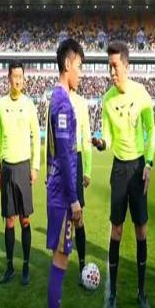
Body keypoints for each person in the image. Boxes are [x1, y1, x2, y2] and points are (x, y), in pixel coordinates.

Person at [92, 41, 155, 308]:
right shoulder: (107, 100)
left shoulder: (142, 94)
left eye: (115, 66)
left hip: (138, 168)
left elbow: (151, 130)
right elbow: (107, 136)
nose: (112, 72)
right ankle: (113, 293)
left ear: (126, 66)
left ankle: (141, 292)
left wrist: (149, 163)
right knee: (116, 230)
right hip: (119, 169)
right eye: (109, 67)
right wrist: (101, 143)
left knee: (141, 230)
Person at [45, 39, 84, 308]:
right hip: (61, 193)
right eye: (79, 67)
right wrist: (73, 199)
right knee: (60, 257)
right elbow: (64, 156)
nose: (81, 73)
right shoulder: (61, 103)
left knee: (63, 255)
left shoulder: (60, 99)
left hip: (60, 189)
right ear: (68, 64)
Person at [0, 61, 40, 286]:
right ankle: (10, 266)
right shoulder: (1, 105)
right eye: (14, 76)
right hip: (7, 168)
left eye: (21, 76)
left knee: (24, 219)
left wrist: (35, 167)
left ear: (24, 79)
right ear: (9, 79)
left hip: (23, 167)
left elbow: (36, 136)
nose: (18, 80)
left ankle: (26, 266)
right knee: (9, 220)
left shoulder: (29, 104)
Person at [69, 89, 92, 286]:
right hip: (60, 160)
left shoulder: (82, 103)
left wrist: (88, 170)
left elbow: (86, 136)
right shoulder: (56, 99)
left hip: (75, 160)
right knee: (62, 219)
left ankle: (82, 265)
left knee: (78, 216)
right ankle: (60, 264)